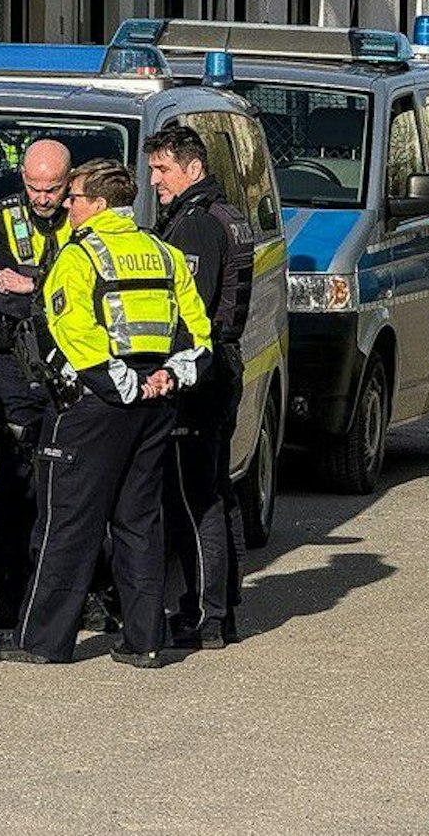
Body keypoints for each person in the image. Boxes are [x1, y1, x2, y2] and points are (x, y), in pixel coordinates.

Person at [0, 158, 211, 668]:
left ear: (98, 205)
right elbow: (198, 335)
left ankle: (42, 642)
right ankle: (144, 640)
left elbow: (75, 335)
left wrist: (122, 384)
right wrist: (166, 377)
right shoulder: (165, 254)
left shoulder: (78, 256)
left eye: (75, 197)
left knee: (68, 522)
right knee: (139, 523)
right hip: (155, 406)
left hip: (95, 404)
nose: (67, 204)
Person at [144, 124, 255, 650]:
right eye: (151, 169)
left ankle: (201, 613)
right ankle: (222, 607)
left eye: (163, 169)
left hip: (200, 375)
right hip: (221, 369)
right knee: (216, 490)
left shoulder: (195, 226)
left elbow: (191, 313)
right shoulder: (223, 214)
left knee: (195, 498)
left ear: (193, 169)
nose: (154, 179)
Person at [0, 139, 71, 629]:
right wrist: (54, 286)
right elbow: (1, 299)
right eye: (33, 186)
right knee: (15, 487)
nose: (42, 197)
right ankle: (11, 594)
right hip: (13, 365)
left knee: (71, 487)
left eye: (51, 187)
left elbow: (89, 291)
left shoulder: (82, 213)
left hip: (72, 365)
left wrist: (32, 281)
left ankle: (81, 593)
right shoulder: (0, 220)